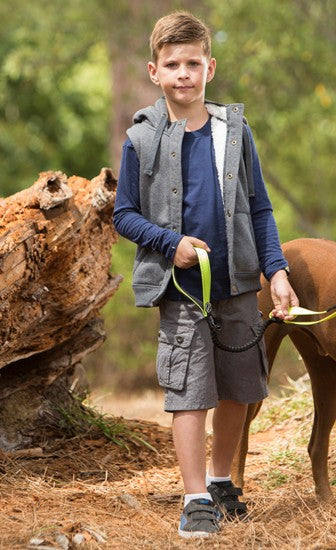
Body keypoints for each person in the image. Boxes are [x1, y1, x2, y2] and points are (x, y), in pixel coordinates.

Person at [113, 11, 298, 539]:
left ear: (210, 68)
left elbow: (259, 208)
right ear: (154, 71)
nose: (183, 74)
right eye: (172, 64)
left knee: (240, 387)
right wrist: (170, 245)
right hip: (181, 290)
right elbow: (124, 213)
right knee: (190, 390)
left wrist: (276, 271)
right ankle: (194, 498)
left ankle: (220, 482)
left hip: (238, 283)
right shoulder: (141, 140)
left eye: (193, 62)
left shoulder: (234, 133)